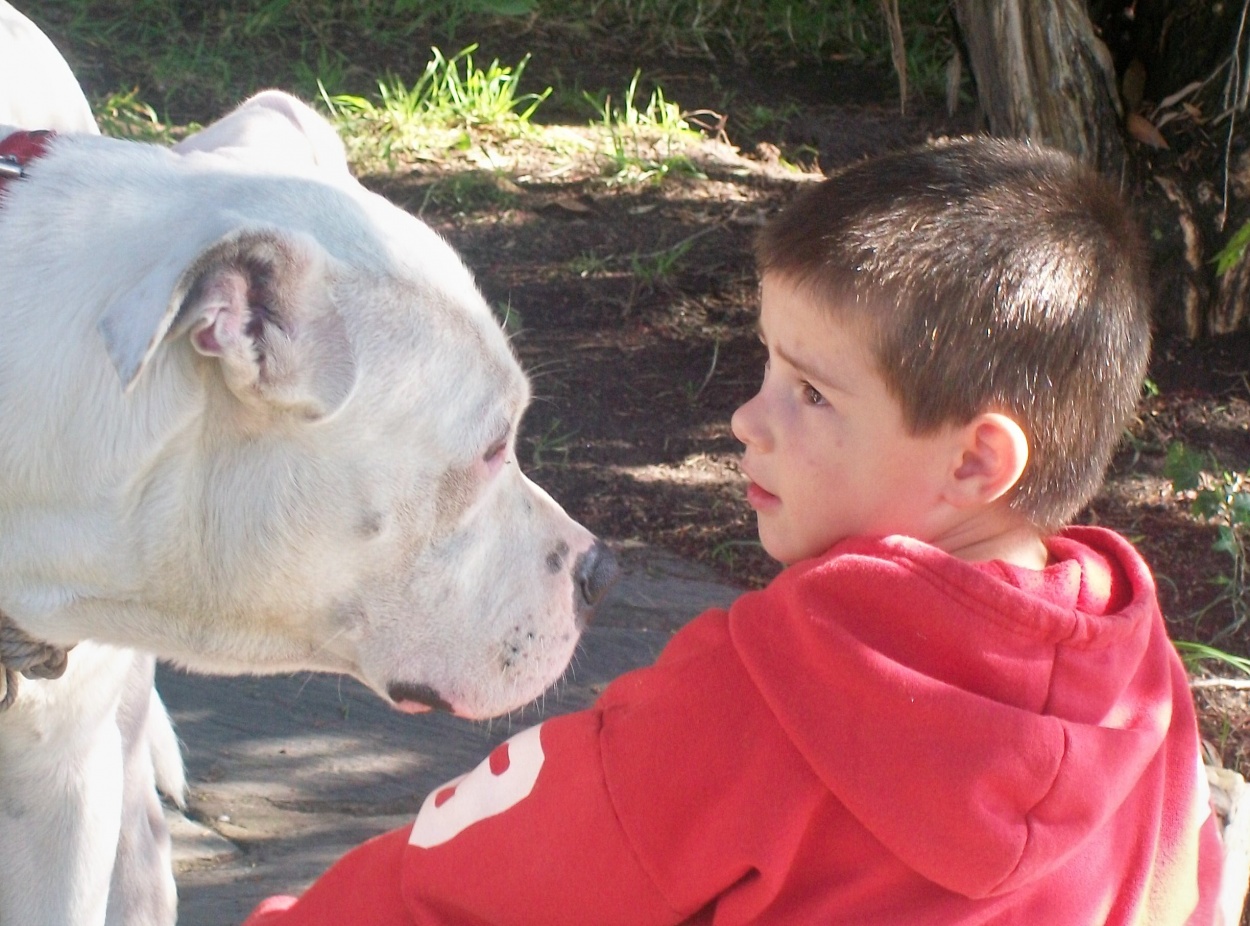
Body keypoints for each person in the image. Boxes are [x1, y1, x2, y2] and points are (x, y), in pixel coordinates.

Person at [242, 136, 1224, 925]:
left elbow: (491, 876)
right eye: (765, 368)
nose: (747, 420)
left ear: (972, 462)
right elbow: (1188, 891)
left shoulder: (761, 699)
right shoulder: (1135, 685)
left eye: (808, 391)